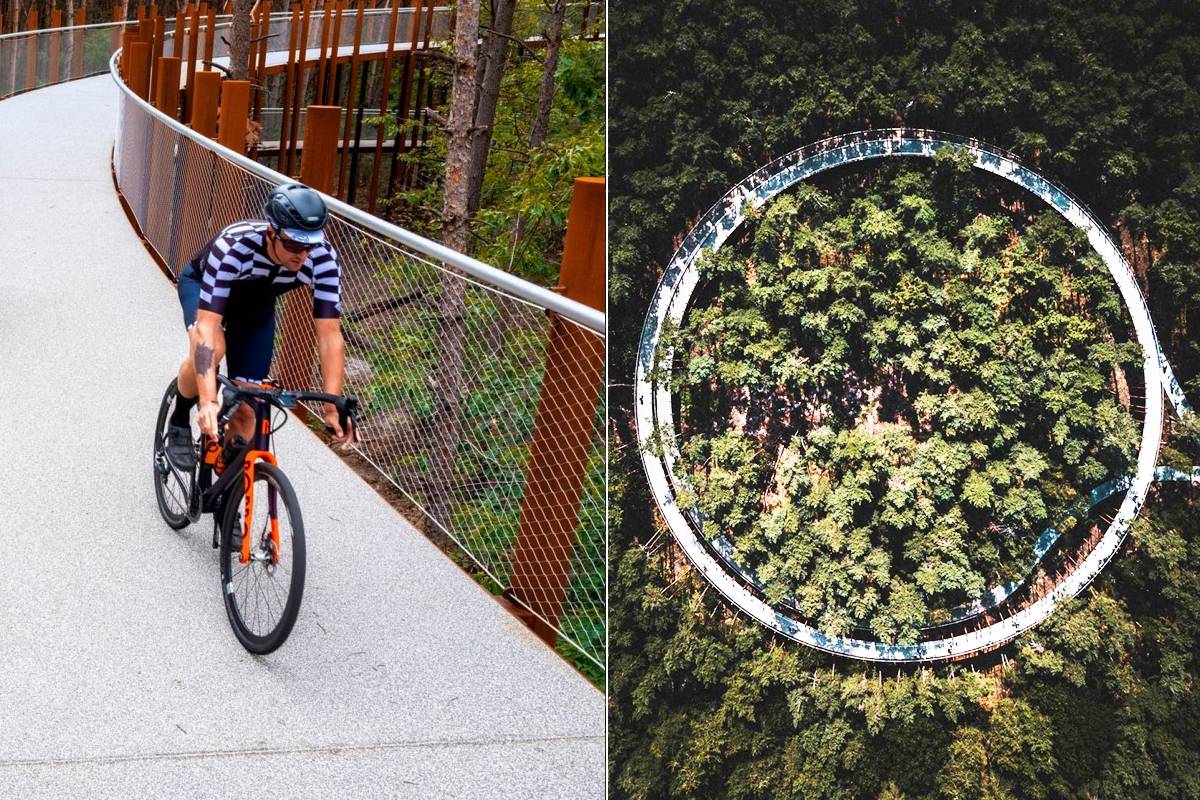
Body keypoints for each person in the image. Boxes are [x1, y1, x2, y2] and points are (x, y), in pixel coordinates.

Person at [165, 182, 353, 469]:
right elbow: (206, 330)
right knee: (210, 351)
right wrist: (207, 401)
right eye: (293, 244)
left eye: (310, 244)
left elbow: (329, 336)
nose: (302, 254)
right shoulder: (234, 246)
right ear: (271, 232)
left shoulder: (323, 258)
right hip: (204, 289)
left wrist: (331, 405)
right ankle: (178, 420)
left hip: (255, 305)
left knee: (247, 411)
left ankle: (227, 498)